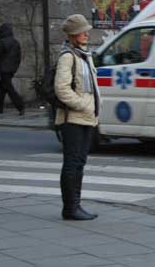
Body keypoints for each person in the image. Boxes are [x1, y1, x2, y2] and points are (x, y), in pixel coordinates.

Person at [54, 14, 100, 220]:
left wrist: (93, 107)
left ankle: (76, 206)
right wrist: (83, 105)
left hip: (86, 117)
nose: (86, 34)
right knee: (72, 163)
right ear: (73, 34)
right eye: (83, 31)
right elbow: (62, 89)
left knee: (79, 162)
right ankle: (70, 208)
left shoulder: (83, 55)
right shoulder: (68, 57)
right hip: (72, 118)